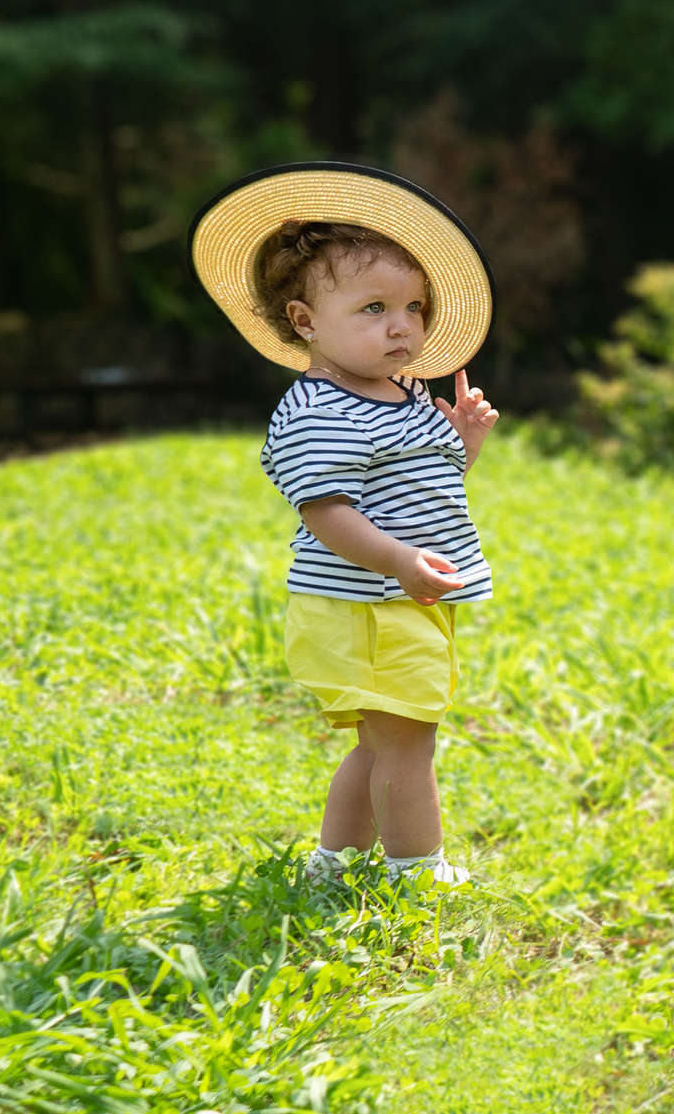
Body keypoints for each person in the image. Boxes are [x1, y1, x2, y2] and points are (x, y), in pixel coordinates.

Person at [189, 165, 502, 889]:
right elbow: (327, 512)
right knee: (406, 743)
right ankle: (415, 873)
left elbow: (417, 489)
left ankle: (335, 863)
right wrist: (397, 562)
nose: (403, 325)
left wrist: (463, 444)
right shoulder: (321, 410)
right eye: (373, 308)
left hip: (396, 597)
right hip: (370, 602)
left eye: (414, 306)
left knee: (381, 742)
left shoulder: (401, 392)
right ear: (305, 322)